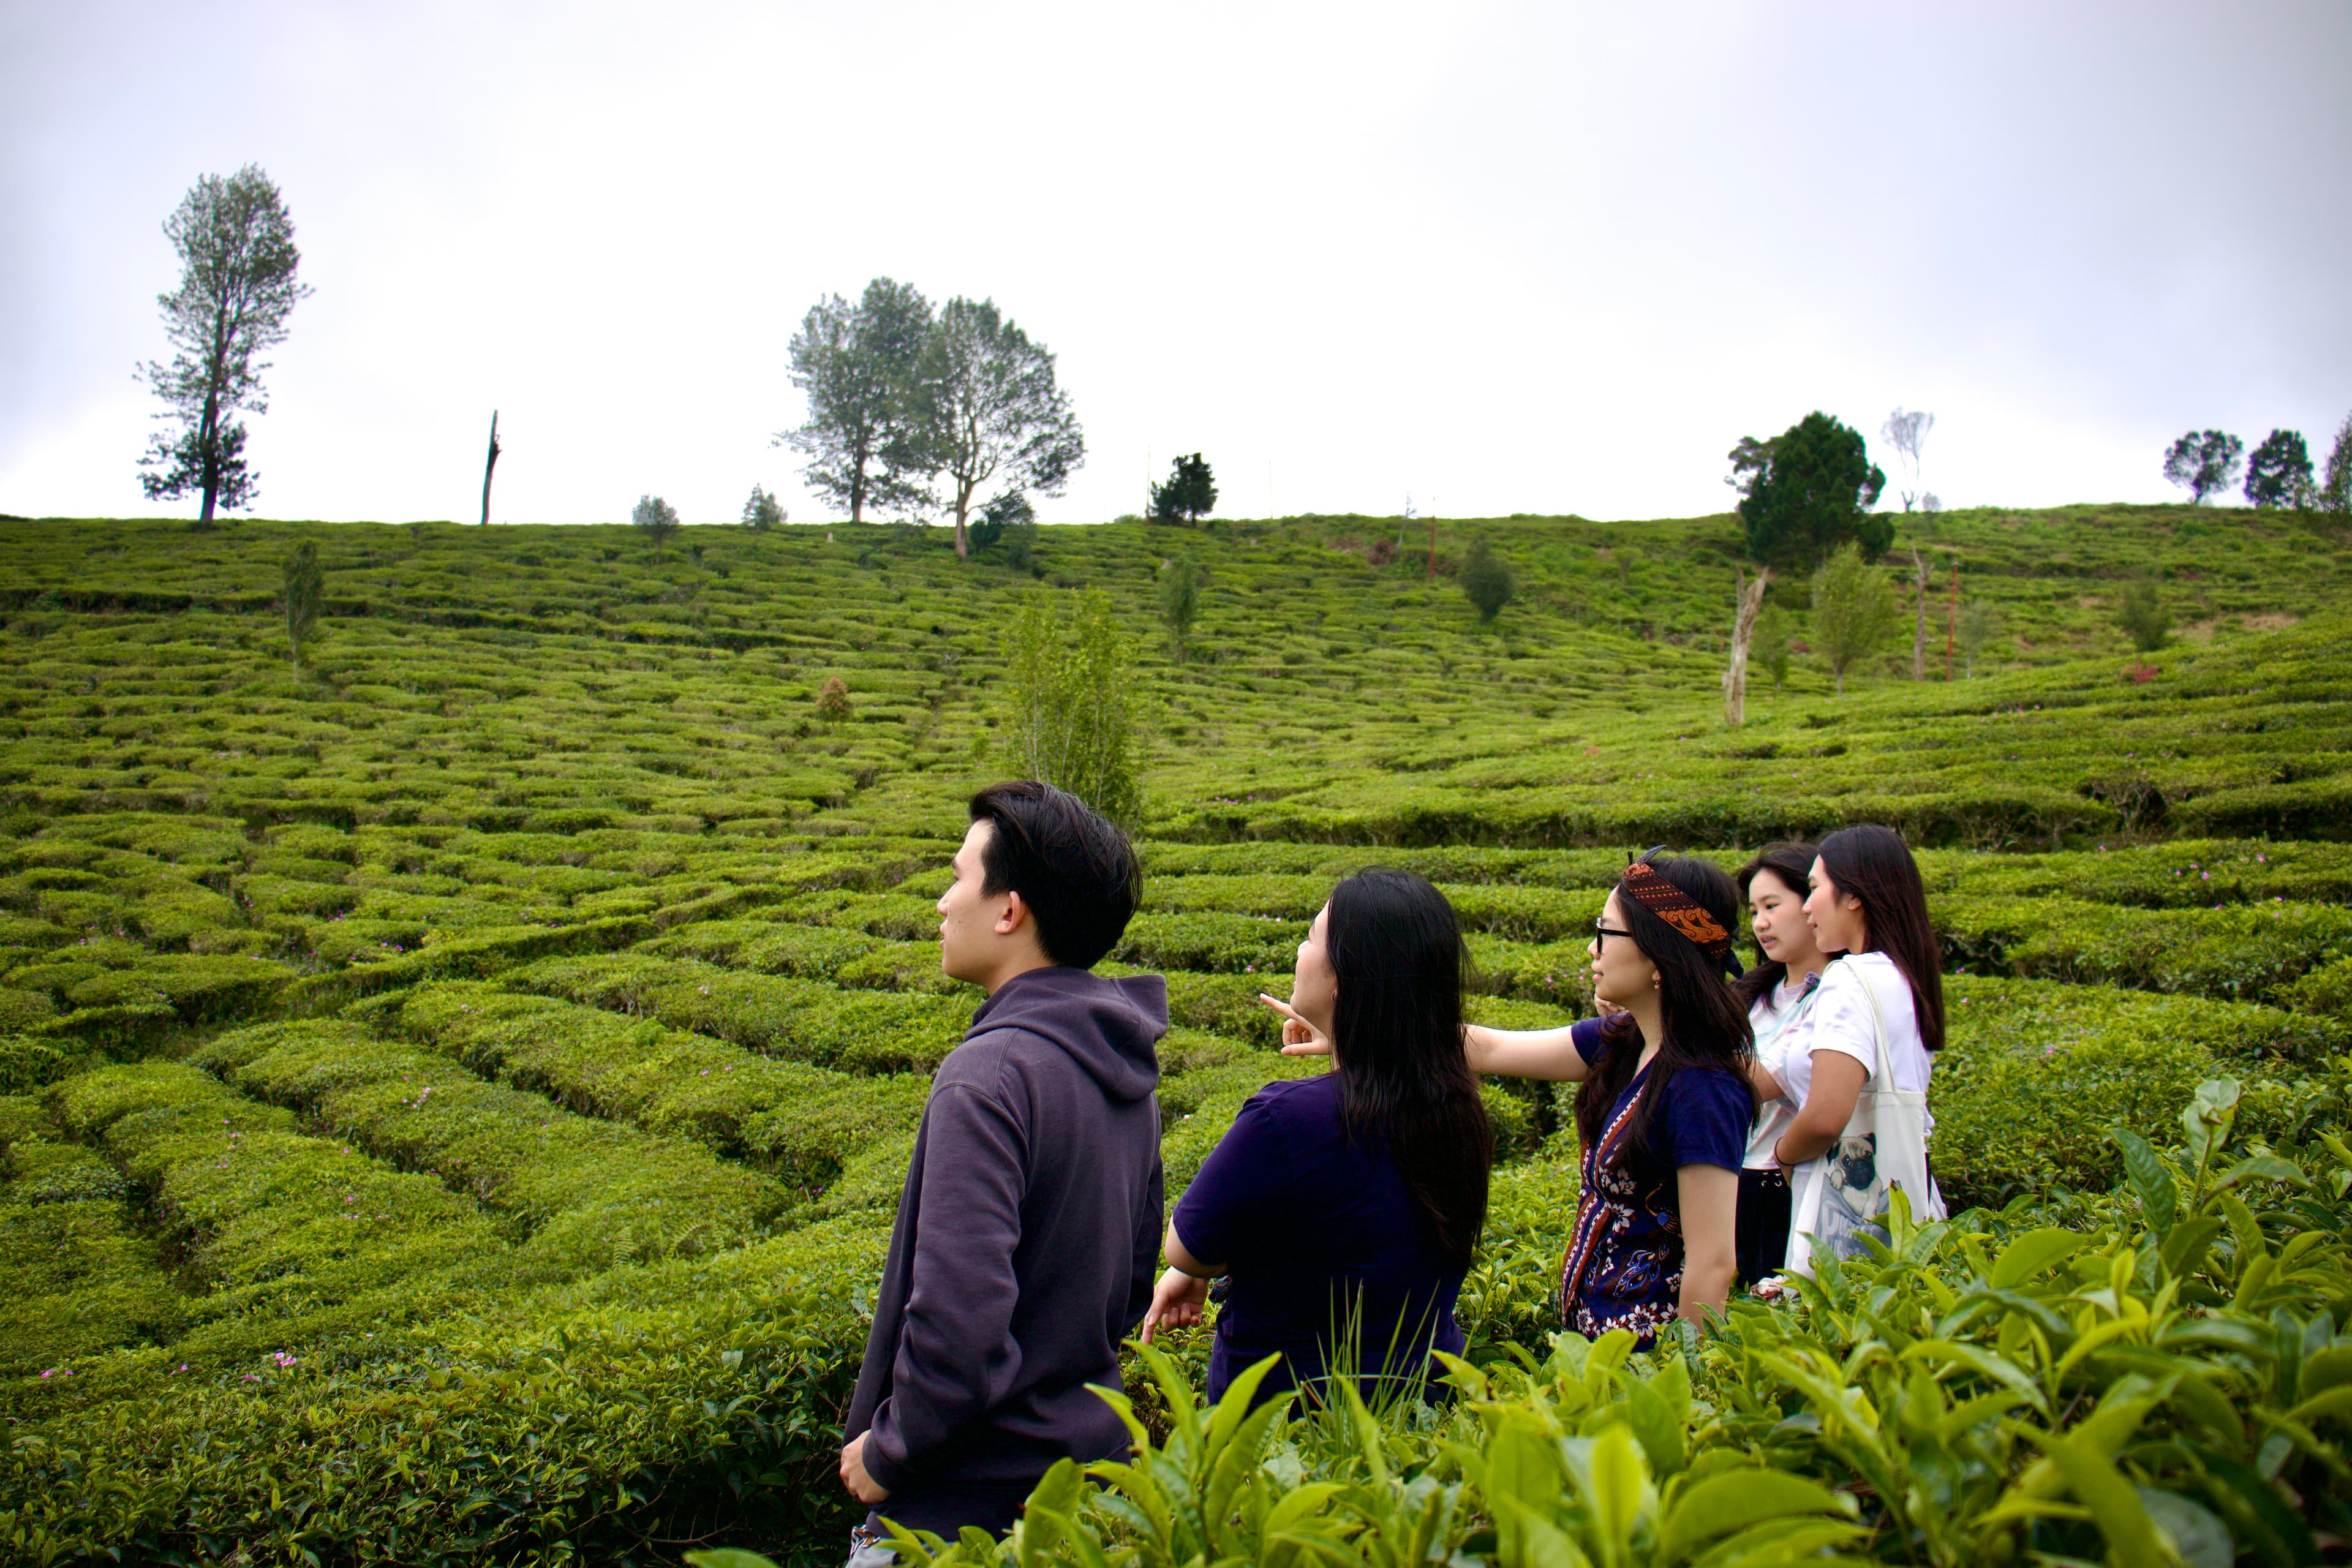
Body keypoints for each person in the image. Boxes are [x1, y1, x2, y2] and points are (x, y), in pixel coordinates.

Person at [839, 782, 1164, 1558]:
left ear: (1009, 910)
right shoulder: (1124, 1069)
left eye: (958, 877)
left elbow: (957, 1320)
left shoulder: (986, 1075)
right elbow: (1127, 1294)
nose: (944, 903)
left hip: (962, 1514)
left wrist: (890, 1451)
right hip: (1084, 1502)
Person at [1137, 869, 1493, 1409]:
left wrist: (1190, 1271)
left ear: (1341, 981)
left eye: (1311, 938)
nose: (1300, 950)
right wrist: (1346, 1040)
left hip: (1292, 1430)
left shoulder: (1285, 1121)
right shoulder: (1460, 1109)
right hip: (1426, 1412)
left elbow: (1186, 1248)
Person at [1434, 851, 1752, 1346]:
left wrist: (1681, 1383)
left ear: (1658, 954)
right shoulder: (1625, 1042)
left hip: (1646, 1361)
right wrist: (1352, 1034)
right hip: (1594, 1346)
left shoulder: (1704, 1089)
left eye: (1606, 932)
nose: (1592, 949)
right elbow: (1492, 1047)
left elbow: (1714, 1264)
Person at [1761, 823, 1947, 1275]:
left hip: (1847, 1206)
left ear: (1854, 896)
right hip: (1912, 1194)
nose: (1807, 908)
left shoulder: (1849, 979)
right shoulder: (1904, 976)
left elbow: (1827, 1114)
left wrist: (1783, 1155)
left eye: (1814, 889)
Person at [1730, 842, 1827, 1287]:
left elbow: (1756, 1082)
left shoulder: (1835, 998)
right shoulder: (1751, 995)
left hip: (1788, 1185)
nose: (1760, 923)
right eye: (1753, 911)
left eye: (1772, 905)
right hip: (1737, 1182)